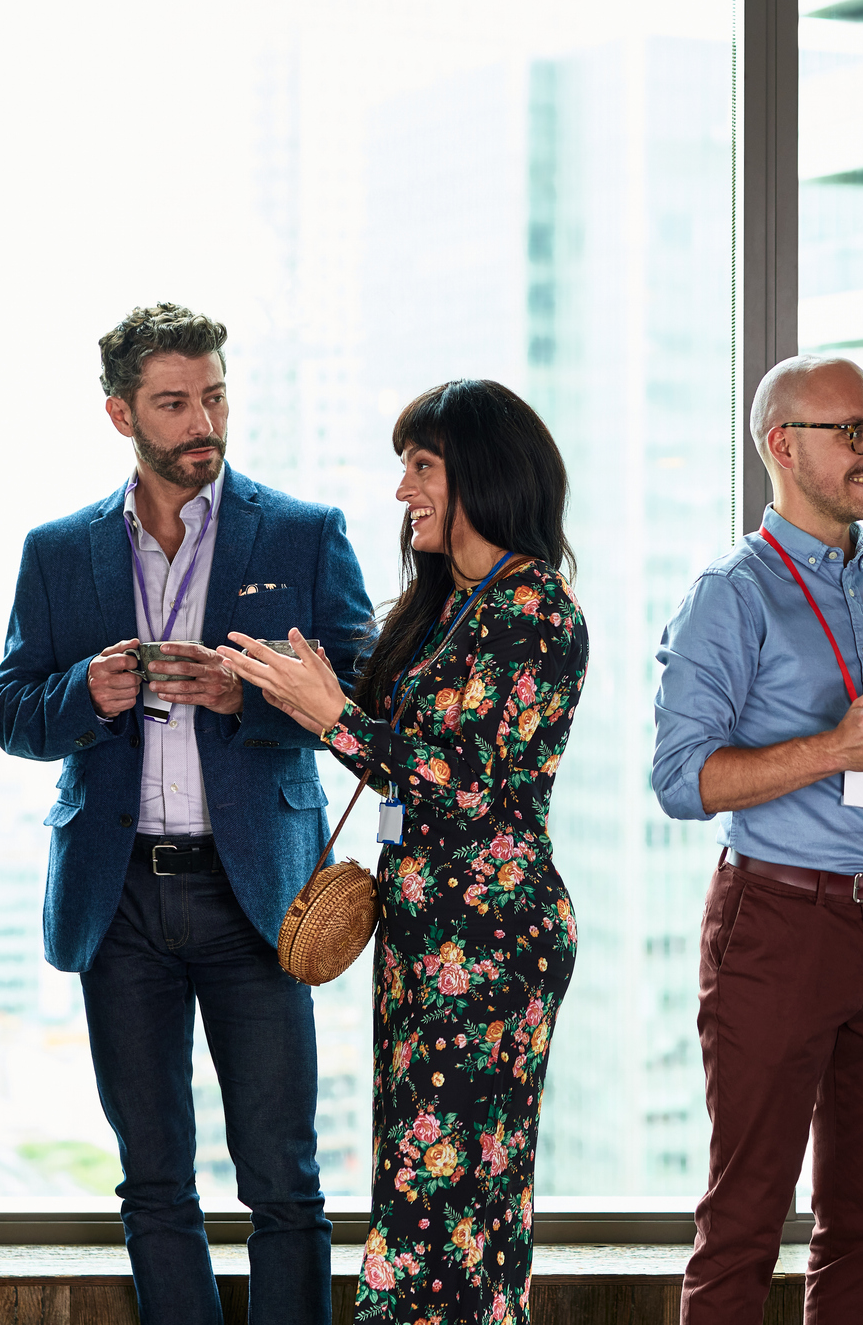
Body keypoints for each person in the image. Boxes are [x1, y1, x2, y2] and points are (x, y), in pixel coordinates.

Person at [0, 302, 372, 1325]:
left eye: (213, 396)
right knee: (155, 1184)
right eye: (173, 402)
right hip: (117, 901)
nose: (202, 420)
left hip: (256, 895)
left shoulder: (302, 535)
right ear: (122, 415)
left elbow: (366, 704)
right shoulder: (58, 551)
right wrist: (88, 692)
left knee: (284, 1183)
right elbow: (17, 715)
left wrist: (251, 694)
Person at [221, 378, 587, 1324]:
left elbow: (457, 785)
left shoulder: (534, 608)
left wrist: (331, 716)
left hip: (491, 942)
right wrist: (287, 689)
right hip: (434, 930)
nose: (403, 491)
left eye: (421, 466)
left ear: (481, 471)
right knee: (435, 1196)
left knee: (448, 1209)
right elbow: (402, 750)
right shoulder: (455, 604)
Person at [651, 354, 863, 1325]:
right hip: (781, 924)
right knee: (746, 1218)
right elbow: (681, 780)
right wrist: (831, 749)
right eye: (856, 433)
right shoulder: (731, 594)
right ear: (784, 446)